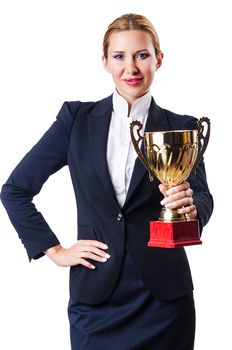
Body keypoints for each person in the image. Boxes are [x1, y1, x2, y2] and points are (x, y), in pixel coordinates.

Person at [0, 13, 213, 350]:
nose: (131, 68)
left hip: (165, 303)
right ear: (105, 62)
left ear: (158, 59)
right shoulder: (76, 120)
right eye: (120, 56)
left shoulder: (181, 126)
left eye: (142, 55)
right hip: (96, 300)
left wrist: (190, 205)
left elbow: (203, 196)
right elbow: (15, 190)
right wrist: (54, 250)